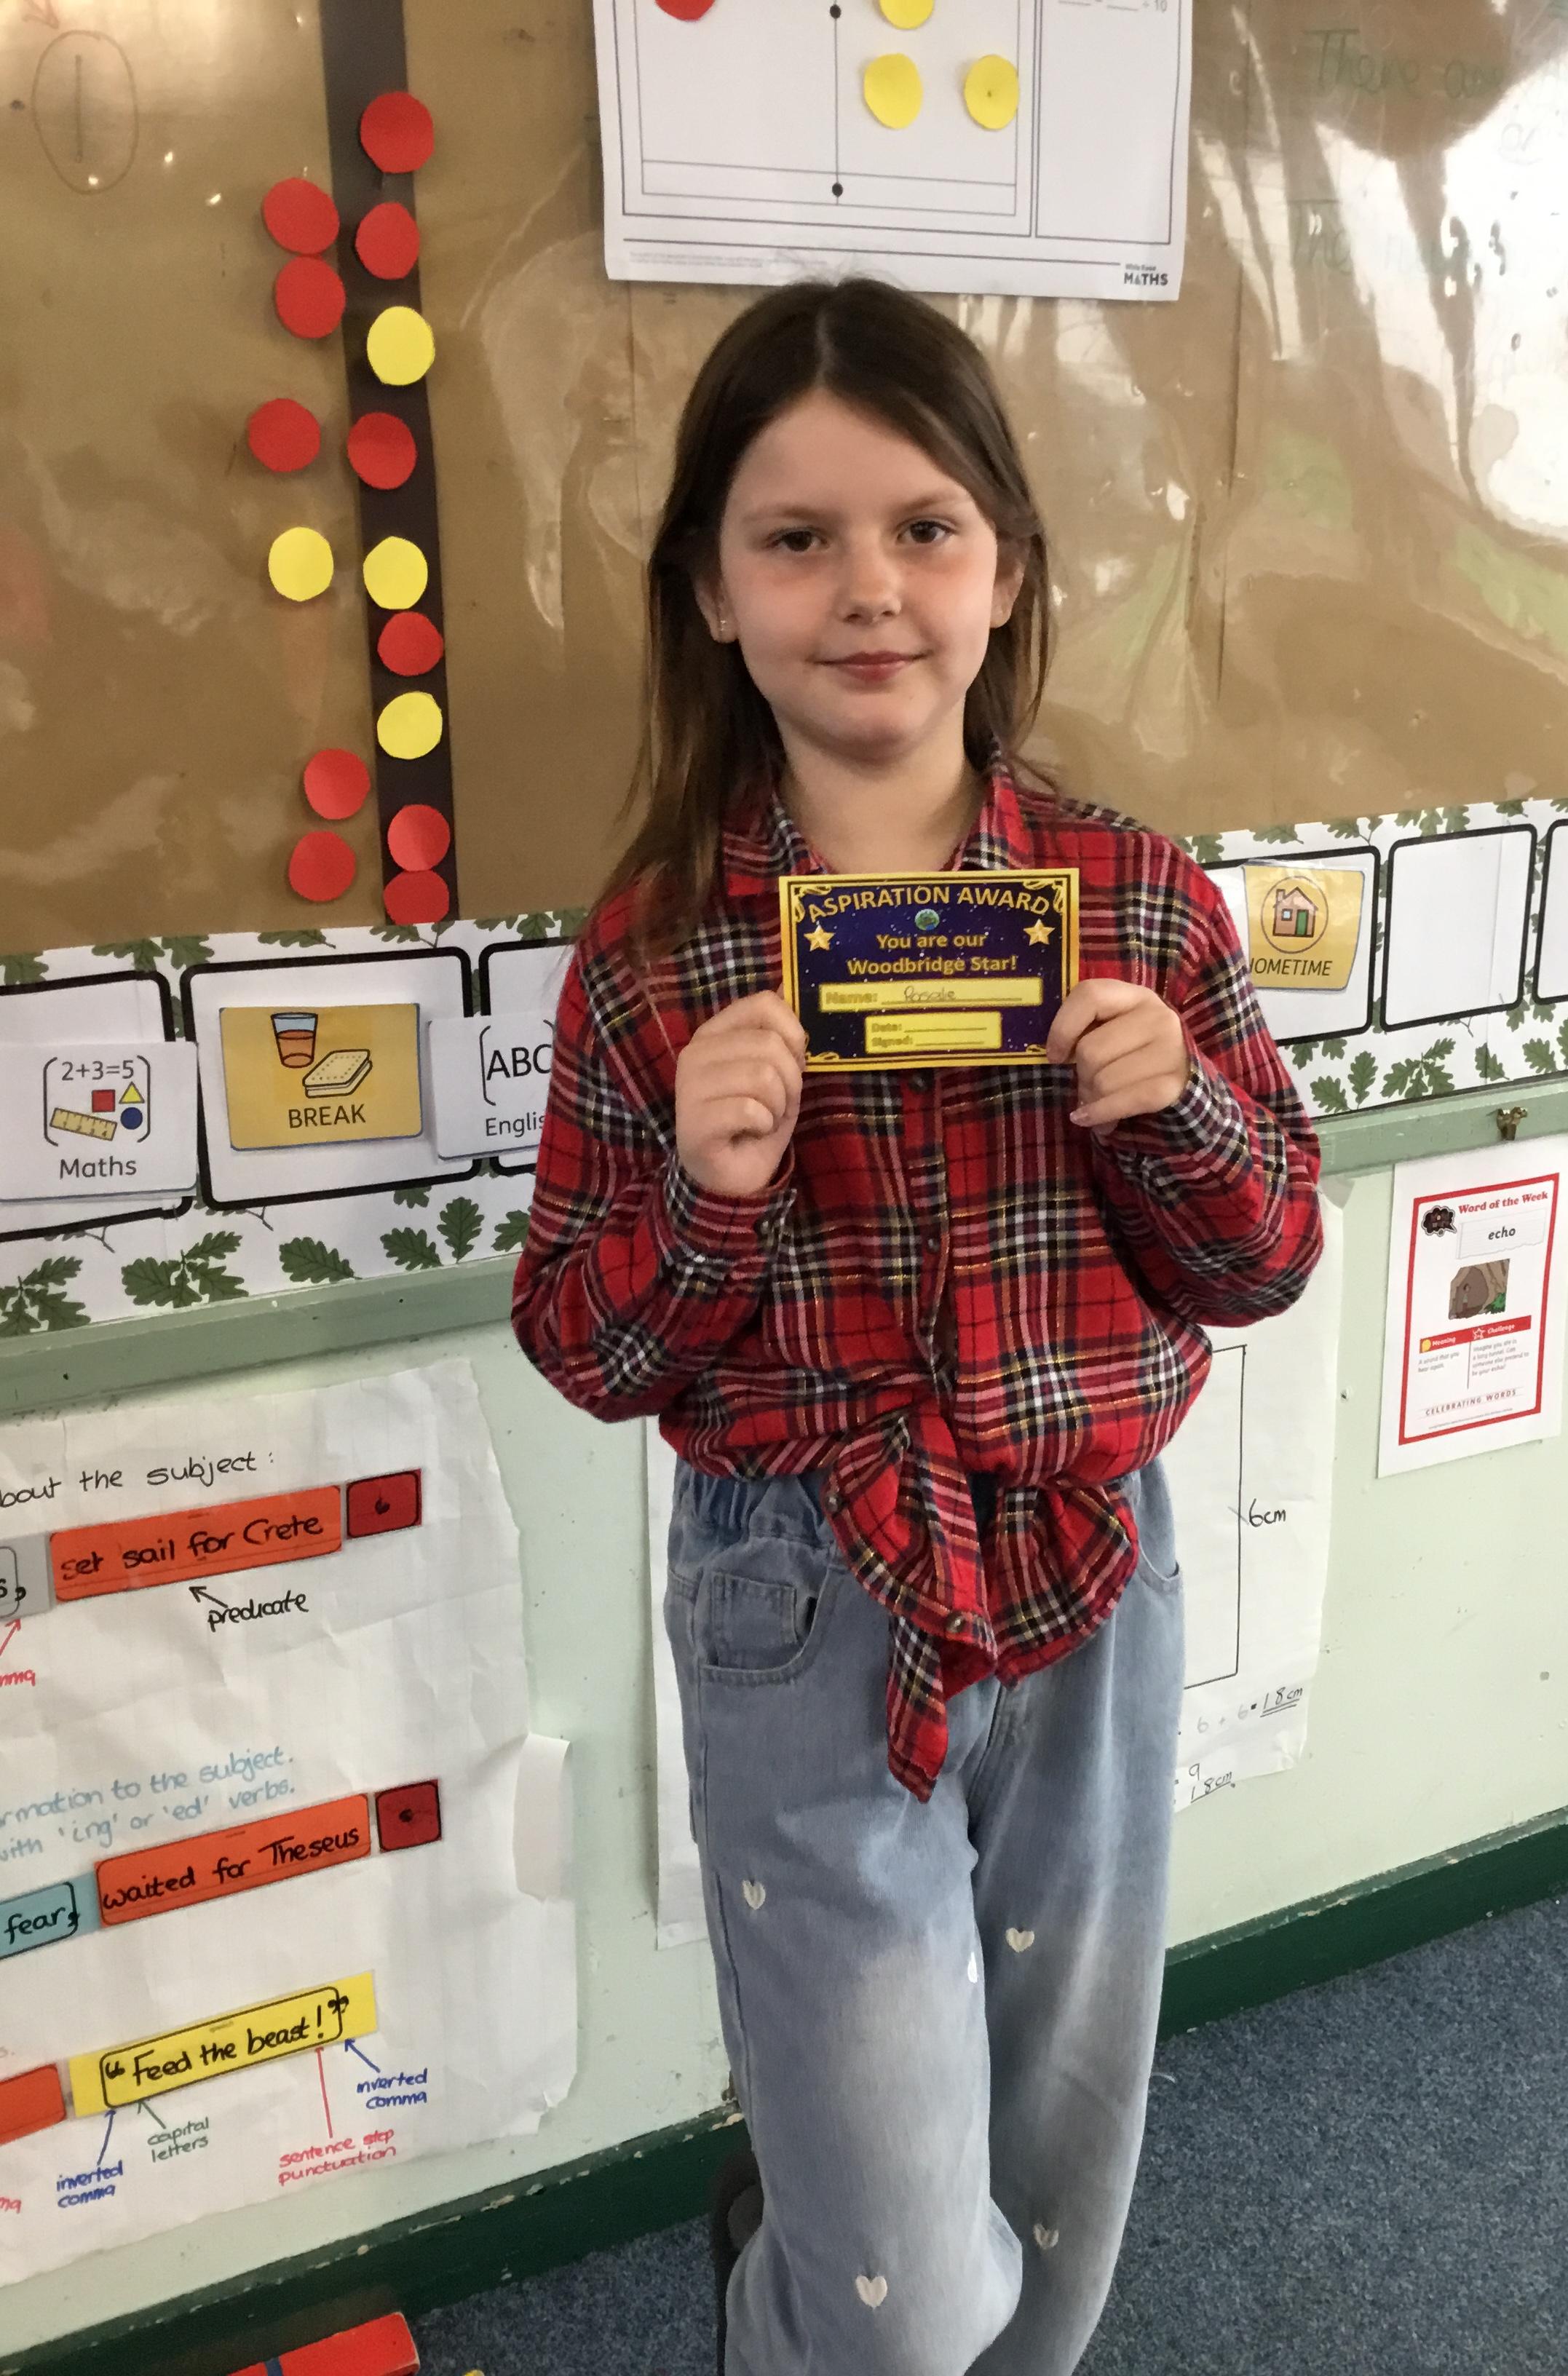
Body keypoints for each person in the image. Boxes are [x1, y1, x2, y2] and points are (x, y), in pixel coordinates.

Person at [511, 277, 1323, 2376]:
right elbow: (583, 1345)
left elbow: (1267, 1256)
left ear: (1008, 571)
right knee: (895, 2286)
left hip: (1088, 1568)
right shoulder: (658, 952)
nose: (868, 587)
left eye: (925, 528)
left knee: (1056, 2168)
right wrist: (703, 1195)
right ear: (713, 591)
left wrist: (1179, 1113)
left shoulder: (1137, 900)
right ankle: (784, 2288)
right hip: (805, 1591)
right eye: (796, 538)